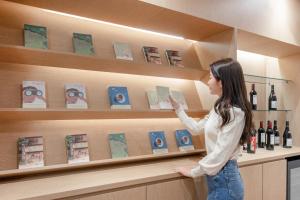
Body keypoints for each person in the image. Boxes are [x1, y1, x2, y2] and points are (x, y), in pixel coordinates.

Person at [170, 58, 252, 200]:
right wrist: (179, 109)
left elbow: (220, 154)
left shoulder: (235, 113)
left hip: (225, 182)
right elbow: (196, 128)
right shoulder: (220, 108)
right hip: (218, 178)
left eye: (210, 77)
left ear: (221, 82)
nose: (208, 82)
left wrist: (194, 172)